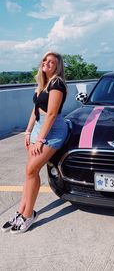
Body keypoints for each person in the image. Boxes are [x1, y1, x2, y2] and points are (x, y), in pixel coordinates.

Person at [1, 52, 68, 234]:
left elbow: (52, 114)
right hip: (39, 127)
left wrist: (41, 139)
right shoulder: (43, 83)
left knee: (32, 169)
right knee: (30, 171)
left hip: (52, 130)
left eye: (52, 62)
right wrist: (28, 131)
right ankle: (21, 211)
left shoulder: (57, 83)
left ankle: (29, 214)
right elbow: (35, 109)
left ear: (57, 66)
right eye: (45, 60)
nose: (47, 63)